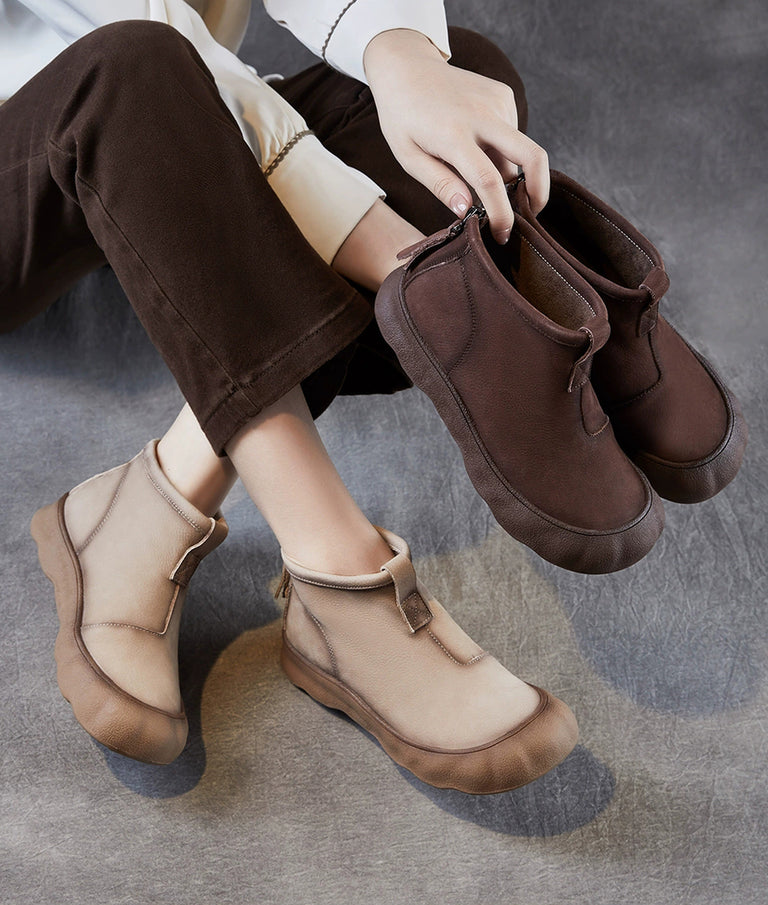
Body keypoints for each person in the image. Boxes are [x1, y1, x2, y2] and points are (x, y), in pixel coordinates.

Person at [0, 1, 744, 791]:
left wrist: (403, 58)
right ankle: (336, 572)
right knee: (130, 72)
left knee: (463, 82)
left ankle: (152, 499)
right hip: (63, 127)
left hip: (162, 118)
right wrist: (400, 257)